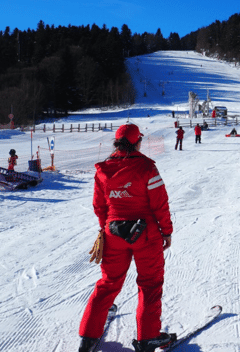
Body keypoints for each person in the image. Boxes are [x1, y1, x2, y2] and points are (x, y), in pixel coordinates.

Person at [78, 124, 174, 352]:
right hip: (145, 235)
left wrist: (106, 228)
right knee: (150, 284)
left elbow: (99, 205)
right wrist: (167, 231)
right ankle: (148, 337)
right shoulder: (147, 167)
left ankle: (88, 337)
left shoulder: (102, 169)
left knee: (108, 283)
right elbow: (160, 203)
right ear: (136, 141)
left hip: (114, 233)